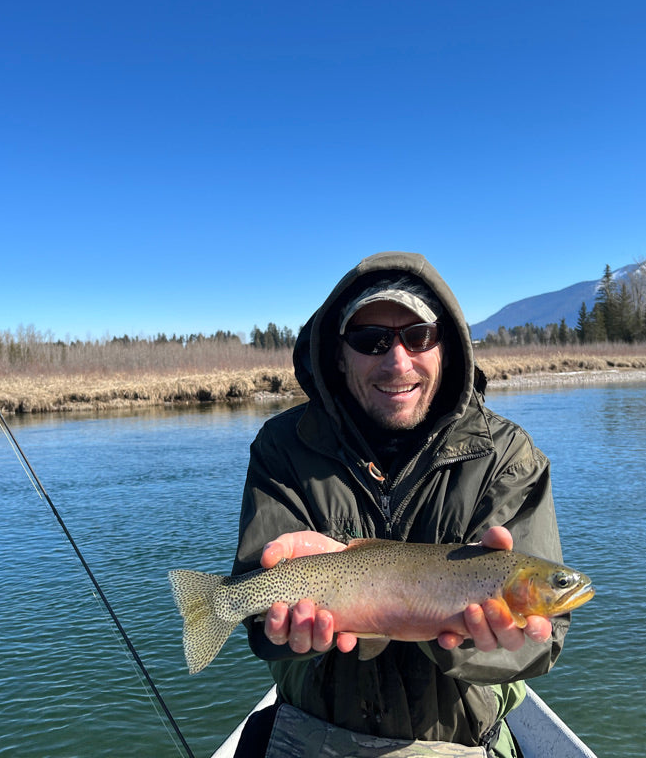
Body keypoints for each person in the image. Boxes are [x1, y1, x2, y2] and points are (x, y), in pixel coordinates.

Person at [232, 252, 569, 757]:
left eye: (419, 336)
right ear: (339, 354)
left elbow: (543, 639)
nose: (397, 361)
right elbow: (258, 612)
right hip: (310, 732)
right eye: (372, 341)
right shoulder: (284, 446)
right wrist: (282, 628)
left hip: (459, 742)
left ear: (447, 348)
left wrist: (474, 642)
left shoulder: (508, 457)